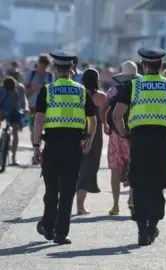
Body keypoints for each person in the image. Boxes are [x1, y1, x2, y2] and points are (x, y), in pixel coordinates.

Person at [113, 48, 166, 246]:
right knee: (156, 184)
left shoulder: (132, 86)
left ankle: (141, 229)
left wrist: (125, 135)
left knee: (138, 183)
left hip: (138, 139)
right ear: (161, 66)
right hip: (162, 139)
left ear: (144, 66)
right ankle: (152, 225)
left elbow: (116, 115)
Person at [34, 51, 97, 245]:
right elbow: (93, 120)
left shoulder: (47, 90)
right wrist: (89, 139)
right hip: (73, 147)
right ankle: (61, 233)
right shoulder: (81, 91)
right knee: (69, 189)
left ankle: (48, 226)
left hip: (52, 146)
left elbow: (38, 120)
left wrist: (36, 146)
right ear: (72, 69)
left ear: (55, 68)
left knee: (51, 188)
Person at [100, 60, 140, 215]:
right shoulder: (139, 89)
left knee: (115, 170)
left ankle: (116, 205)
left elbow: (103, 109)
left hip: (116, 134)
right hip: (134, 133)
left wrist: (105, 125)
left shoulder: (114, 90)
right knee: (135, 168)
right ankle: (131, 198)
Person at [76, 69, 106, 215]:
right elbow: (104, 117)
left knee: (78, 167)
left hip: (78, 131)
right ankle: (80, 206)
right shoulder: (101, 97)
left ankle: (76, 203)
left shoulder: (78, 94)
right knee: (88, 169)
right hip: (95, 135)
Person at [25, 54, 55, 165]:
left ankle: (39, 149)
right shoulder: (31, 74)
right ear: (38, 63)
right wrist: (36, 88)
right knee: (34, 130)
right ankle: (35, 151)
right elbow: (25, 90)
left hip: (47, 107)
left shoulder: (50, 76)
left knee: (44, 130)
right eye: (41, 64)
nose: (43, 67)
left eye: (45, 65)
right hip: (33, 105)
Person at [0, 77, 28, 165]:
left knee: (15, 131)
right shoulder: (1, 89)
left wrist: (26, 108)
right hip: (3, 109)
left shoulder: (20, 88)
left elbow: (24, 100)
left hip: (15, 110)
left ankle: (13, 157)